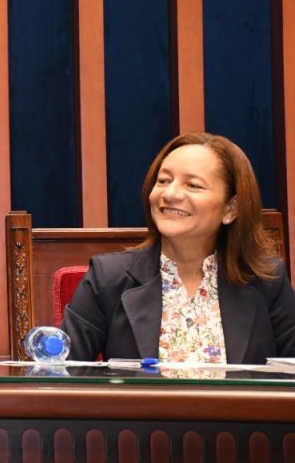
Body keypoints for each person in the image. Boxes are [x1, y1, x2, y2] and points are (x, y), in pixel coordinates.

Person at [62, 132, 295, 363]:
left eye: (193, 185)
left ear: (230, 209)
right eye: (163, 181)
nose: (170, 193)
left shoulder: (266, 281)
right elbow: (59, 376)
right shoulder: (108, 278)